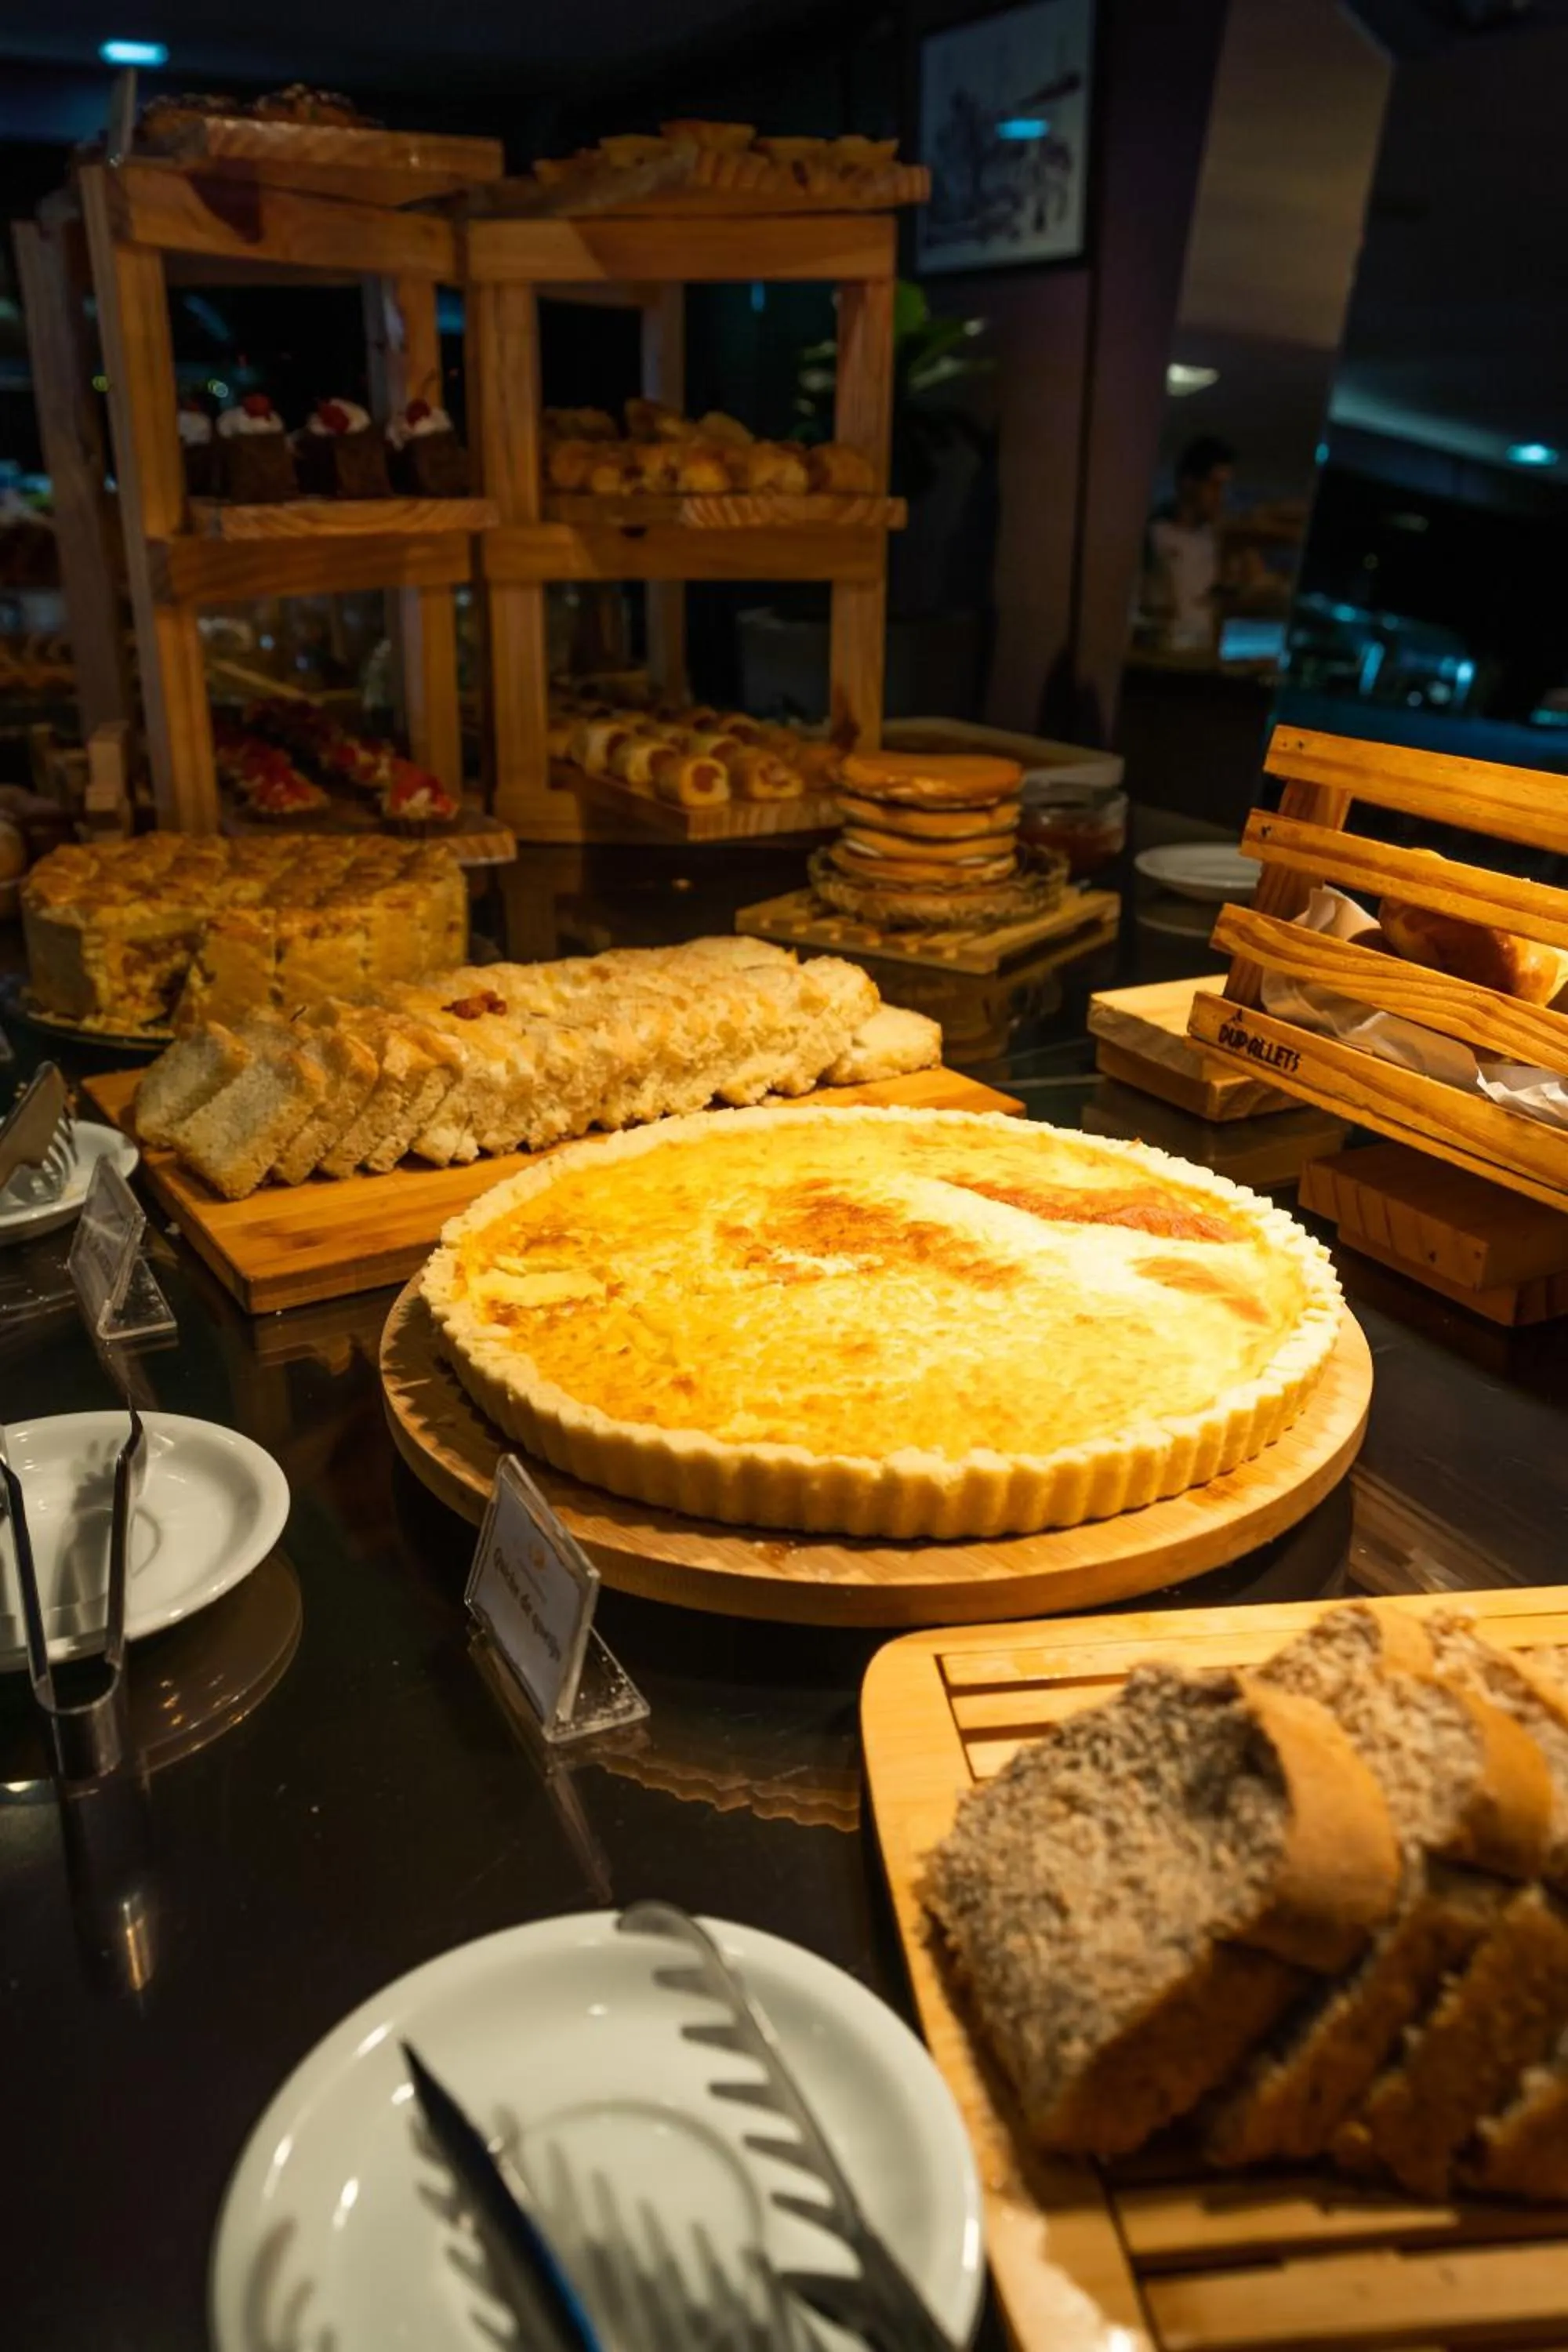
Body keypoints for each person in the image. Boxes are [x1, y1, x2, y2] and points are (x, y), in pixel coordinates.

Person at [1142, 434, 1236, 654]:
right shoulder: (1155, 534)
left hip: (1200, 656)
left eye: (1224, 488)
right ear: (1188, 483)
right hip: (1161, 654)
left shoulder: (1215, 540)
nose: (1220, 497)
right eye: (1214, 486)